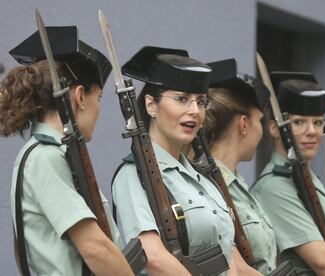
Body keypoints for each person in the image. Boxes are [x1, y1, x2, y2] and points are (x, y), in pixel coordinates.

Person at [1, 26, 133, 275]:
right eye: (100, 97)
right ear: (81, 96)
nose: (99, 109)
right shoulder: (46, 156)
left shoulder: (43, 155)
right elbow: (95, 249)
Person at [112, 47, 244, 275]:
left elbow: (228, 259)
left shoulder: (202, 178)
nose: (194, 110)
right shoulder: (133, 174)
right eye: (182, 99)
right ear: (151, 105)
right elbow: (152, 257)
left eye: (201, 102)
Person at [251, 72, 325, 275]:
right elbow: (324, 262)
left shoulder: (308, 178)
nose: (312, 131)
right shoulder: (274, 187)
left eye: (318, 123)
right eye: (299, 122)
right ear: (274, 128)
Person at [203, 58, 277, 275]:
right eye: (259, 121)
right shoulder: (207, 183)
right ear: (244, 124)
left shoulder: (238, 184)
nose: (261, 131)